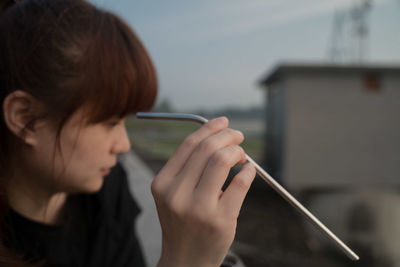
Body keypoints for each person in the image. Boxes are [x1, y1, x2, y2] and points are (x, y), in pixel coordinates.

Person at [0, 0, 256, 266]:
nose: (123, 146)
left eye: (124, 121)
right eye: (109, 122)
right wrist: (186, 259)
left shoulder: (108, 192)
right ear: (25, 119)